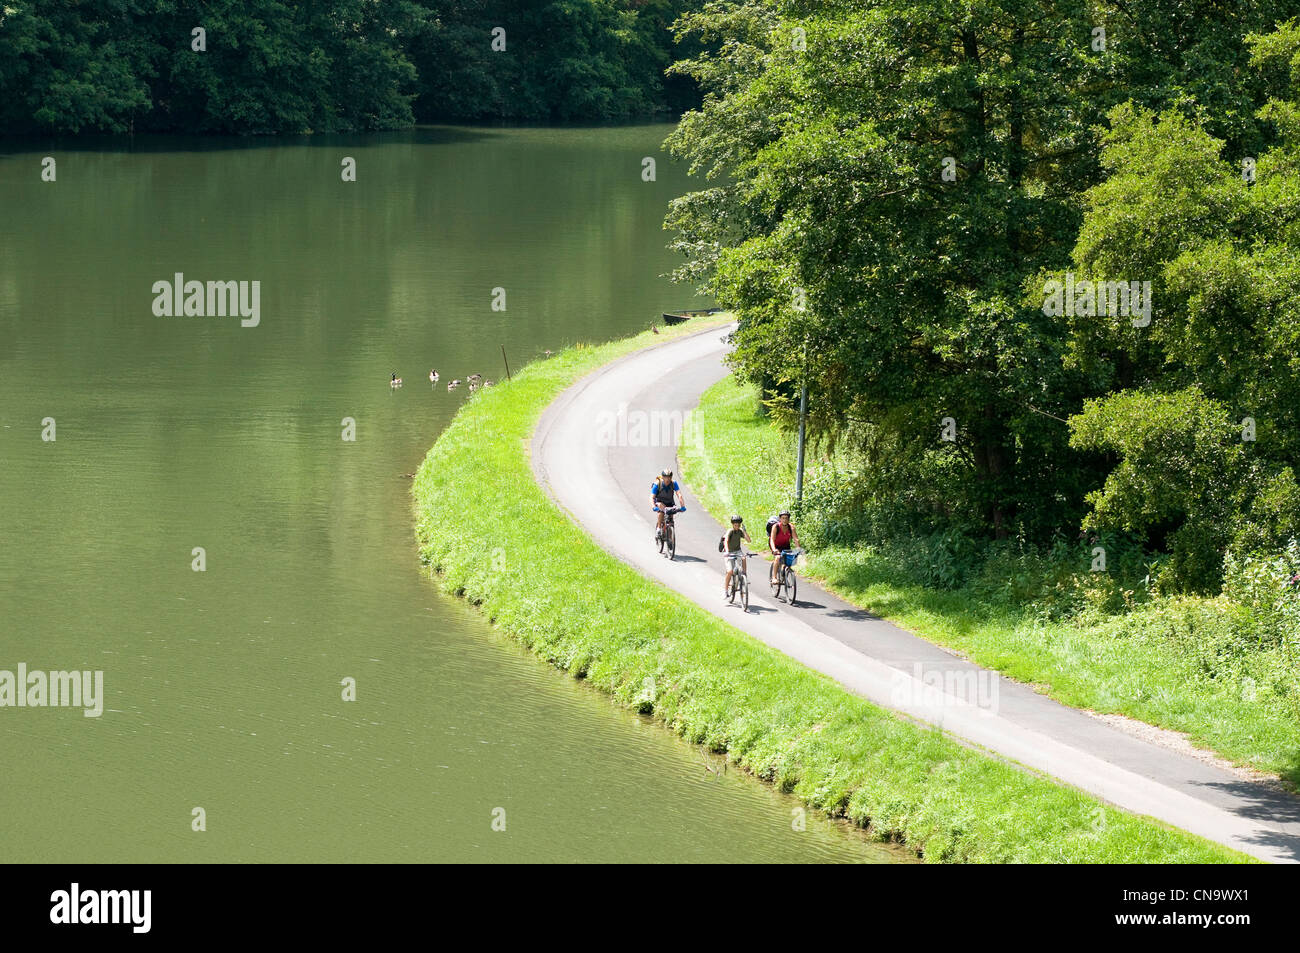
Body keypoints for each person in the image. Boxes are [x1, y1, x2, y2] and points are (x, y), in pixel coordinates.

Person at [650, 468, 685, 538]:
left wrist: (682, 506)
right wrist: (654, 506)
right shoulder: (657, 484)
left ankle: (670, 538)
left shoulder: (673, 483)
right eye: (666, 477)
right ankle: (659, 529)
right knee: (661, 513)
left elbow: (679, 495)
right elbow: (651, 497)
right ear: (662, 477)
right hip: (660, 502)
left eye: (669, 477)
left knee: (670, 519)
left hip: (670, 502)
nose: (667, 479)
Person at [722, 516, 751, 599]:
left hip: (738, 551)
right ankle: (725, 591)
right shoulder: (730, 531)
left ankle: (744, 575)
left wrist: (744, 531)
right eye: (735, 525)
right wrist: (727, 551)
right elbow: (726, 541)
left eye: (738, 525)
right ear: (732, 524)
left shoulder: (740, 531)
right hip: (729, 552)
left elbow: (749, 540)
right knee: (730, 571)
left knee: (744, 558)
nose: (737, 526)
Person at [769, 509, 800, 585]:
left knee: (787, 561)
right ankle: (774, 577)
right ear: (780, 519)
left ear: (789, 519)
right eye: (783, 518)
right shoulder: (775, 527)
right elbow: (772, 540)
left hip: (786, 545)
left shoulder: (791, 527)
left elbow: (796, 539)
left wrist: (798, 549)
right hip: (776, 545)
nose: (785, 520)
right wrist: (774, 549)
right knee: (778, 558)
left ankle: (783, 571)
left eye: (786, 518)